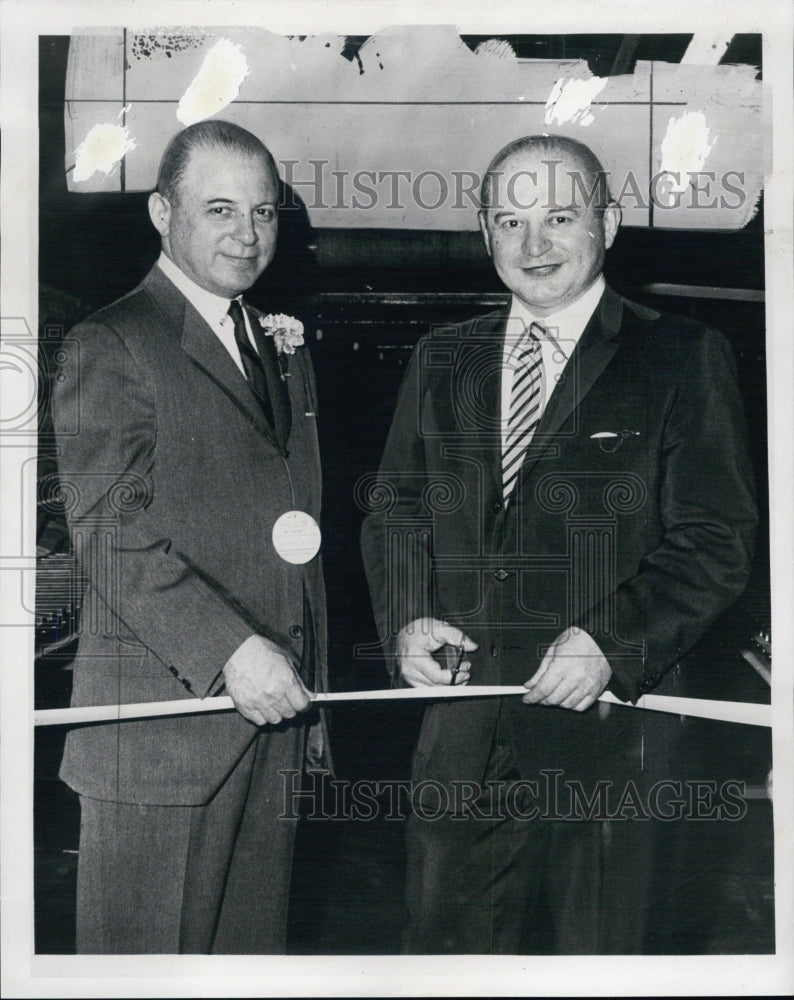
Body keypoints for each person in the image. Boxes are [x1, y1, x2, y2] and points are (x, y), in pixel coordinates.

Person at [360, 134, 758, 953]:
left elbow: (716, 539)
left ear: (606, 225)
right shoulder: (443, 357)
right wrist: (408, 616)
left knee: (606, 957)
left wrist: (608, 641)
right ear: (486, 234)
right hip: (464, 734)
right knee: (444, 958)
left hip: (618, 739)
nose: (533, 243)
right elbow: (395, 509)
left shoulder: (683, 356)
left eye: (559, 217)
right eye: (510, 220)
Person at [50, 120, 327, 954]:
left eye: (265, 212)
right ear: (161, 212)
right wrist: (233, 650)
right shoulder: (114, 342)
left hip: (272, 725)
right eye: (219, 209)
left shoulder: (278, 347)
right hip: (160, 741)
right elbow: (107, 529)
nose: (248, 235)